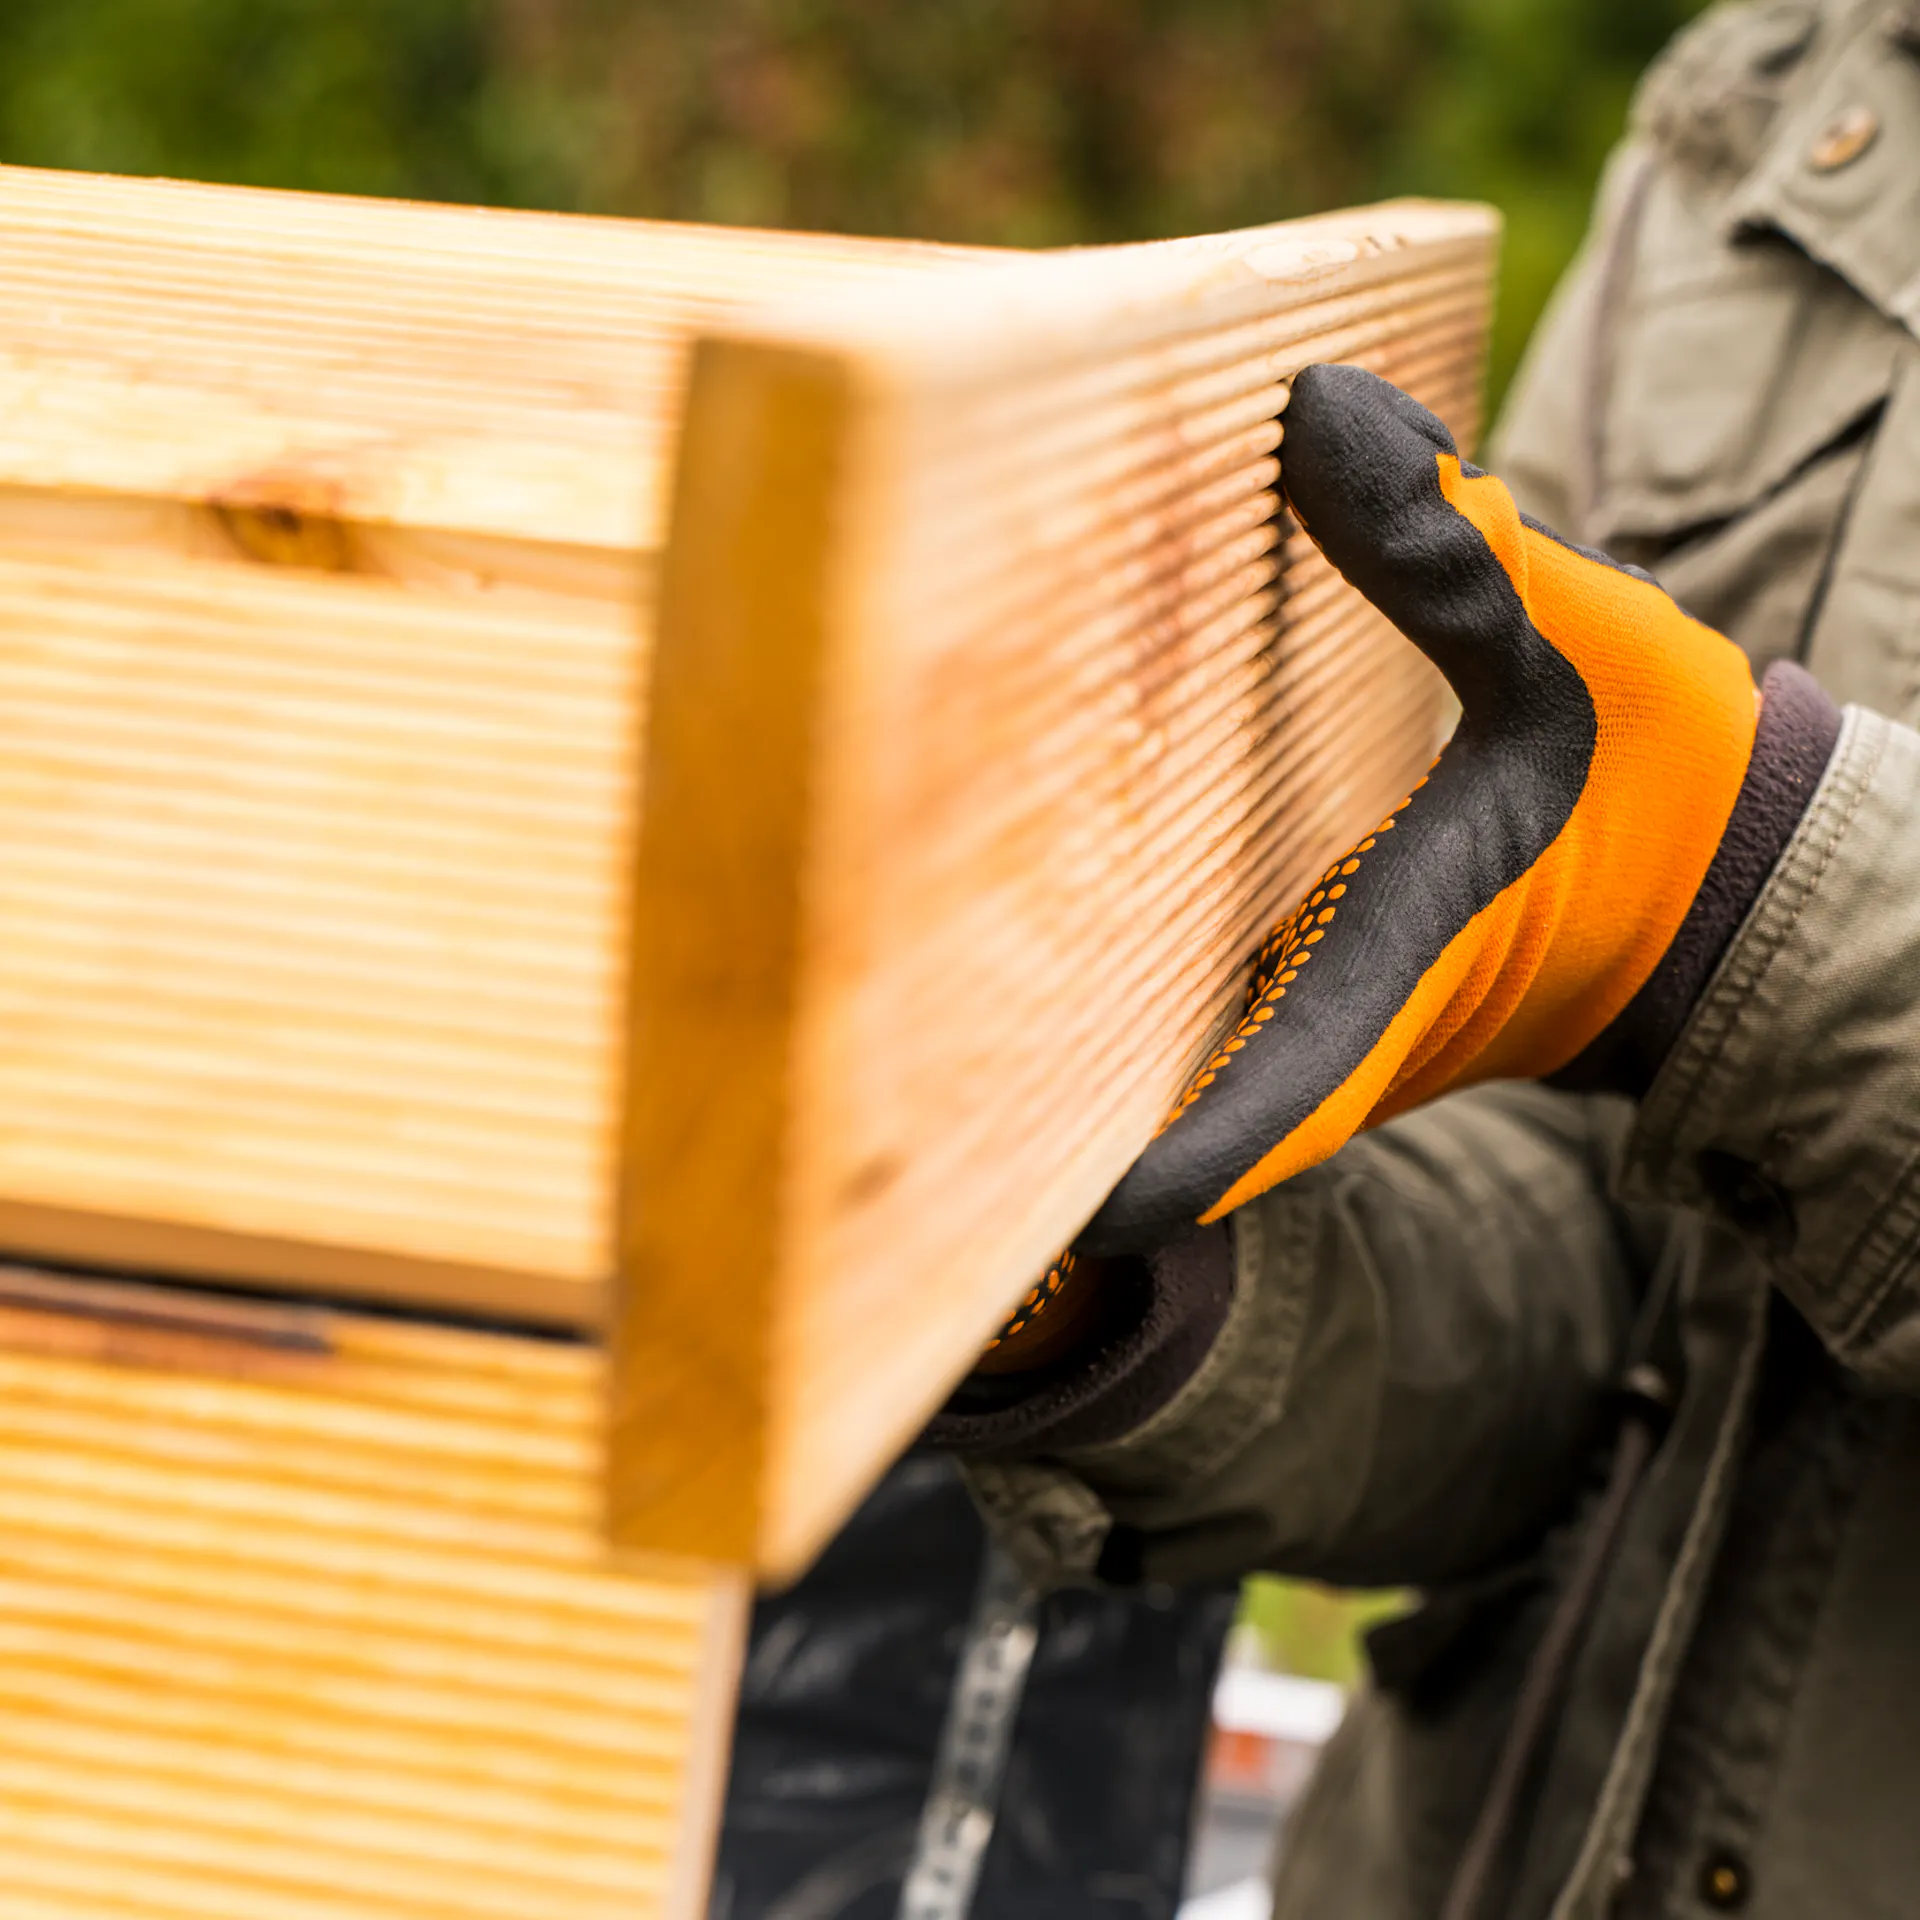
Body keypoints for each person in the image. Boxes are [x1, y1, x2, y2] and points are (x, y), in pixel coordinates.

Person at [928, 1, 1920, 1915]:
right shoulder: (1789, 107)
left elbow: (1677, 905)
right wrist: (1104, 1292)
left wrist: (1736, 901)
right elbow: (1595, 1231)